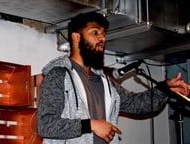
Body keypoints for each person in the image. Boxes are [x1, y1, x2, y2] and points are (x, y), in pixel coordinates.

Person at [37, 12, 190, 144]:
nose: (102, 38)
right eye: (95, 32)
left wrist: (165, 88)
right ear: (76, 37)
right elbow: (45, 125)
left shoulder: (105, 81)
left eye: (104, 34)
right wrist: (90, 125)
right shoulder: (58, 75)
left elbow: (137, 104)